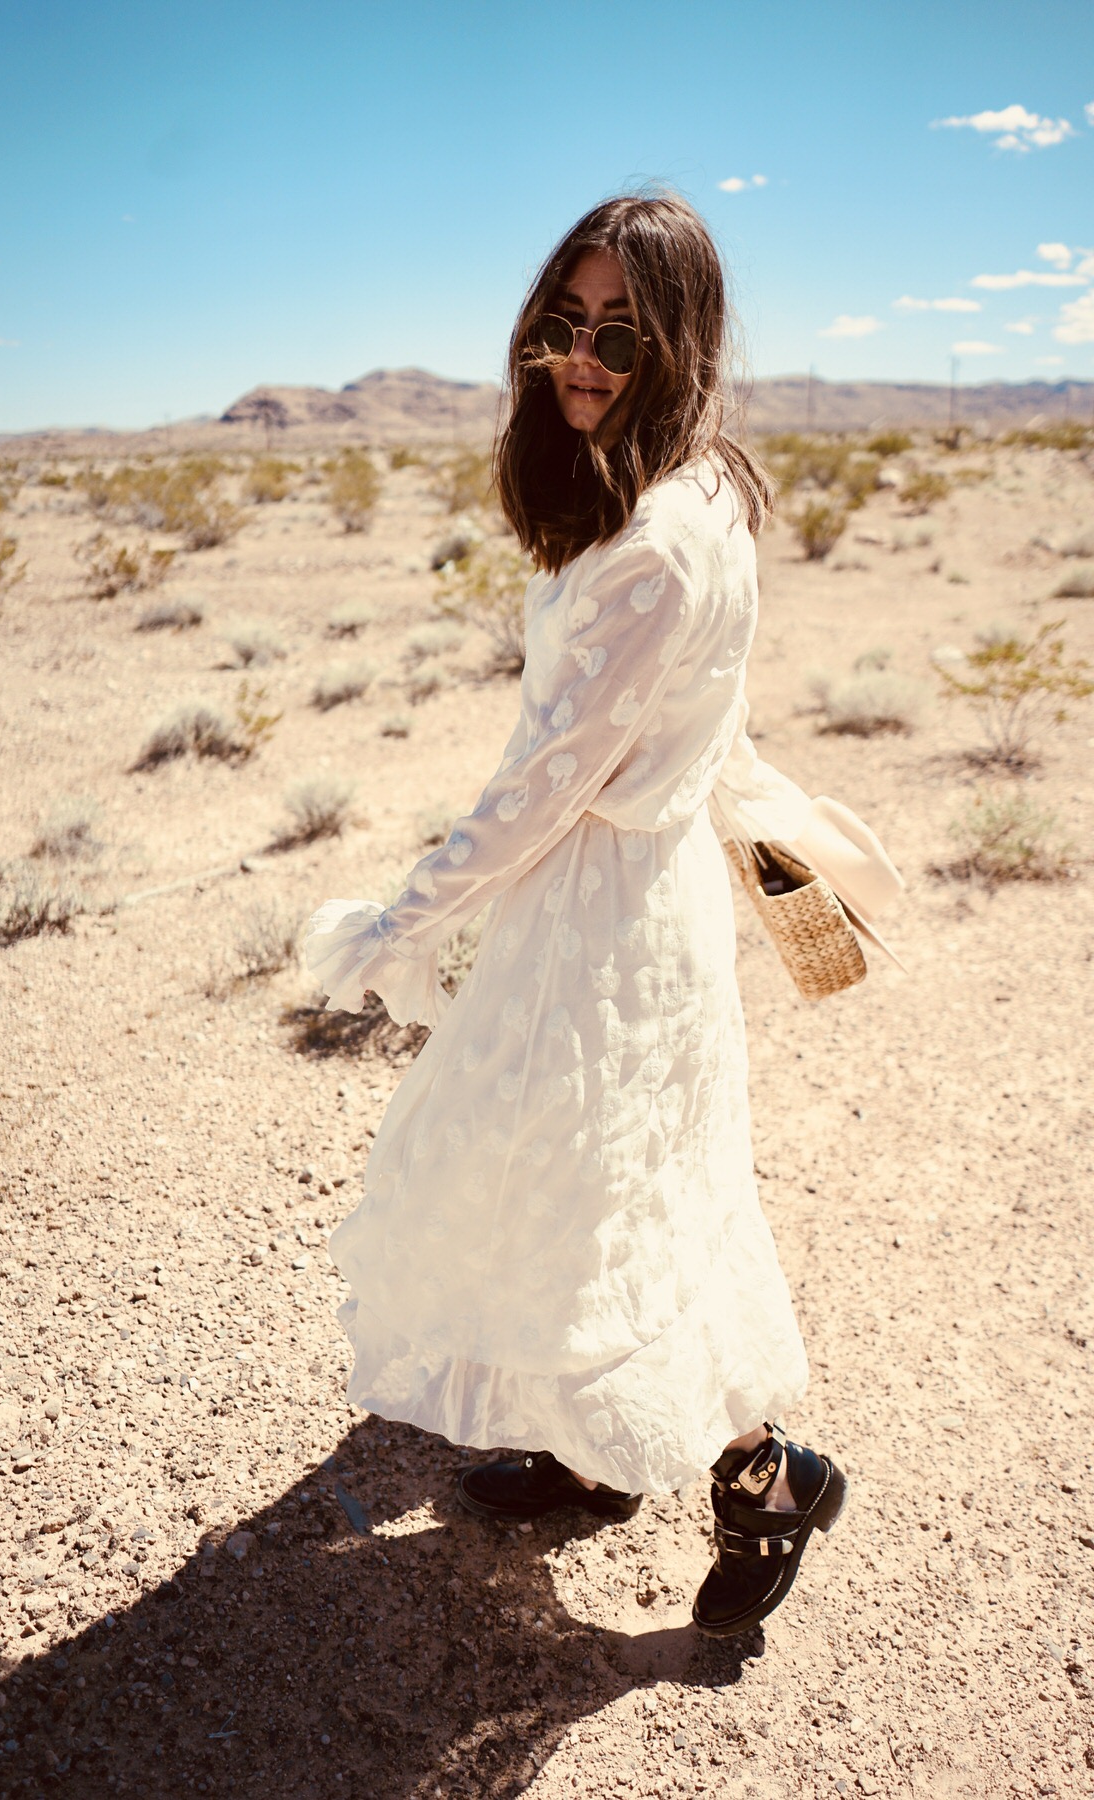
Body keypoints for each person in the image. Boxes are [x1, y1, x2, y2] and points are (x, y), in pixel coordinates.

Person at [303, 192, 901, 1637]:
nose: (581, 355)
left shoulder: (656, 546)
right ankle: (600, 1452)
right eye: (562, 323)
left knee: (614, 1207)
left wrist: (393, 926)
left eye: (620, 332)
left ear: (678, 340)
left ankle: (769, 1481)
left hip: (606, 919)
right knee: (594, 1193)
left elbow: (541, 790)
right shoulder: (688, 493)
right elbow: (709, 729)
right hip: (634, 900)